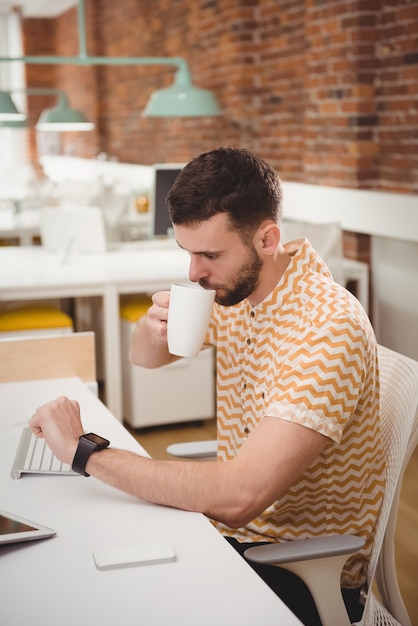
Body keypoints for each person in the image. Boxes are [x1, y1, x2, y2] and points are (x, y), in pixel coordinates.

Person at [30, 147, 385, 625]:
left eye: (209, 254)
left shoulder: (324, 328)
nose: (193, 272)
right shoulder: (241, 291)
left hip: (294, 570)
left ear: (267, 238)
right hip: (230, 540)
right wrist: (153, 326)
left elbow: (239, 497)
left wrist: (83, 451)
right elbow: (144, 357)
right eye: (188, 252)